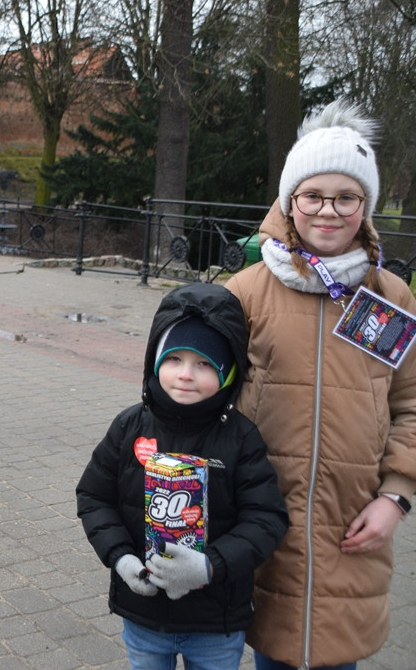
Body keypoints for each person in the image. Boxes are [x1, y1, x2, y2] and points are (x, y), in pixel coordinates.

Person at [225, 100, 416, 669]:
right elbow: (197, 400)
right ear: (290, 202)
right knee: (269, 650)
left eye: (346, 197)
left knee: (337, 656)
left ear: (364, 206)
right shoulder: (244, 293)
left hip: (353, 525)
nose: (328, 212)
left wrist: (397, 496)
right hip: (262, 521)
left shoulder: (390, 298)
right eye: (313, 195)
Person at [76, 283, 288, 669]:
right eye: (174, 359)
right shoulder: (129, 427)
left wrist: (210, 566)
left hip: (217, 621)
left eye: (205, 364)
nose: (186, 375)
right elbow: (94, 497)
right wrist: (121, 558)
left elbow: (266, 519)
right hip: (142, 614)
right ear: (154, 361)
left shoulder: (241, 438)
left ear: (229, 374)